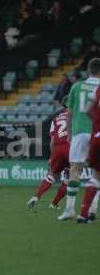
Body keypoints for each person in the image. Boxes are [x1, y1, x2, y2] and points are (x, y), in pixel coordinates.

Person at [58, 58, 100, 221]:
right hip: (96, 132)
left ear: (88, 71)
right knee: (98, 172)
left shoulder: (76, 86)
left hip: (79, 132)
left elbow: (70, 113)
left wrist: (68, 132)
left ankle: (69, 209)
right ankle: (92, 209)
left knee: (75, 169)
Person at [27, 97, 70, 209]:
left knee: (51, 175)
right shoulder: (77, 117)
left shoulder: (56, 119)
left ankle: (36, 196)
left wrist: (51, 157)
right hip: (71, 148)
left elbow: (52, 142)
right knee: (69, 179)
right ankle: (54, 203)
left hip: (58, 148)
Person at [77, 76, 100, 223]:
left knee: (96, 177)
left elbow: (85, 109)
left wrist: (96, 122)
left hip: (97, 137)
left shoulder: (98, 89)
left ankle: (84, 213)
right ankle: (91, 210)